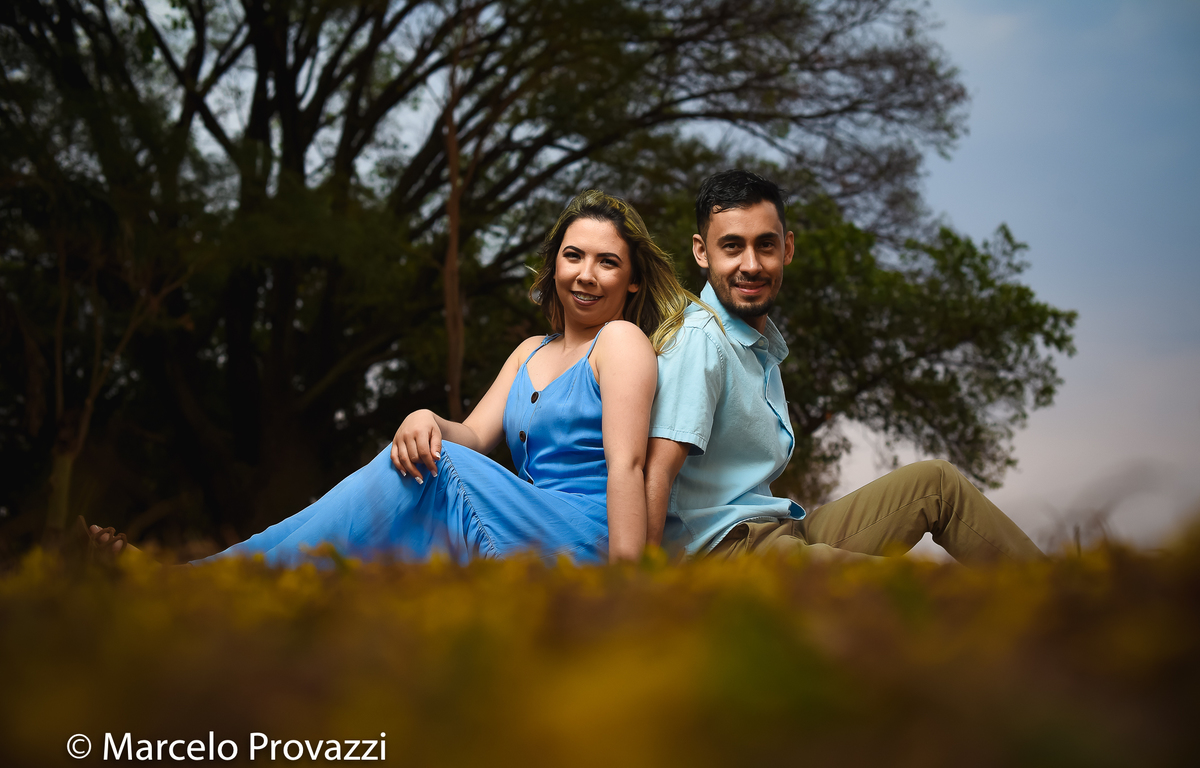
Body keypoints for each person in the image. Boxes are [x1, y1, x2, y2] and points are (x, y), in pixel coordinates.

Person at [84, 190, 703, 566]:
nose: (587, 274)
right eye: (574, 256)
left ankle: (200, 582)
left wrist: (627, 584)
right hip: (523, 518)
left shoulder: (620, 343)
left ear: (632, 281)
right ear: (555, 265)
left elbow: (629, 468)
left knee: (438, 465)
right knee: (419, 452)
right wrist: (426, 419)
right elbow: (473, 435)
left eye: (607, 262)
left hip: (586, 534)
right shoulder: (528, 352)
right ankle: (211, 577)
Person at [645, 170, 1047, 564]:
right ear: (702, 251)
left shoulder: (756, 345)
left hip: (777, 529)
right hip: (725, 552)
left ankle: (1060, 589)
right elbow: (654, 473)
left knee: (936, 485)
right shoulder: (700, 341)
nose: (751, 265)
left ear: (787, 248)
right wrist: (641, 581)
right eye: (732, 247)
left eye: (765, 245)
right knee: (909, 588)